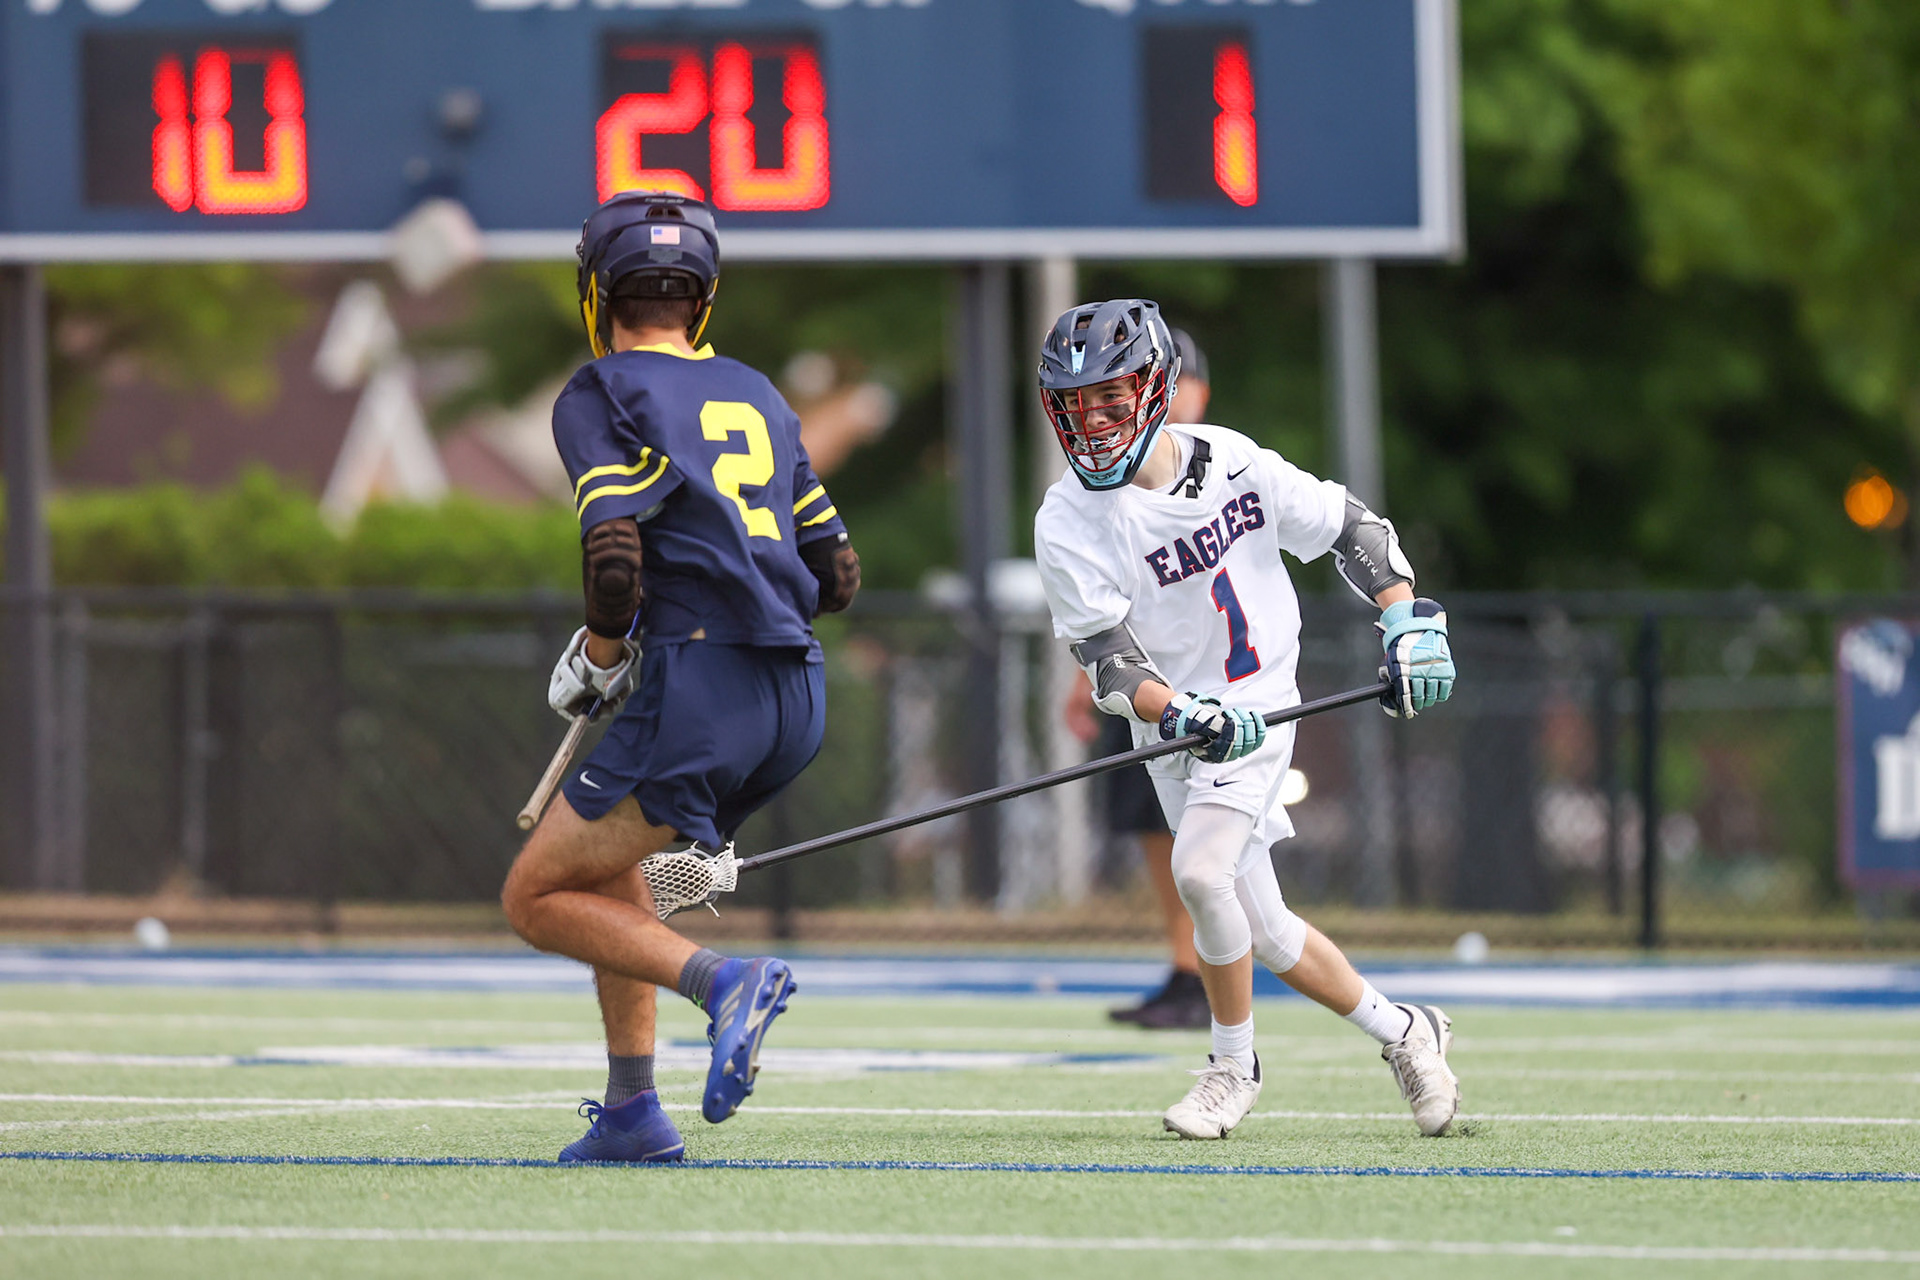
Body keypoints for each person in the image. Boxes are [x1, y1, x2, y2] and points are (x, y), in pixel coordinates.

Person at [1033, 298, 1460, 1139]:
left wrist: (1406, 617)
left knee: (1199, 871)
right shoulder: (1067, 519)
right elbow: (1113, 664)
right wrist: (1179, 709)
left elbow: (1352, 530)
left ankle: (1232, 1066)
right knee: (1264, 929)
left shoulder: (1231, 459)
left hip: (1262, 701)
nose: (1097, 423)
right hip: (1171, 726)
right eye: (1079, 405)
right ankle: (1408, 1031)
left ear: (1157, 389)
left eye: (1113, 400)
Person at [500, 191, 862, 1163]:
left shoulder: (599, 388)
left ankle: (721, 981)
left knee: (533, 897)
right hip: (796, 692)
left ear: (598, 294)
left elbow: (613, 560)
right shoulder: (762, 393)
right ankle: (630, 1111)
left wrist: (604, 657)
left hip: (707, 685)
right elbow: (837, 574)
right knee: (607, 861)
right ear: (702, 298)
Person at [1069, 328, 1211, 1030]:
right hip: (1137, 683)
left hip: (1205, 686)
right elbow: (1095, 602)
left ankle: (1214, 992)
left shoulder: (1219, 468)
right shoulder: (1095, 491)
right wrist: (1086, 678)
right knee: (1153, 829)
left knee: (1213, 858)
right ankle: (1189, 969)